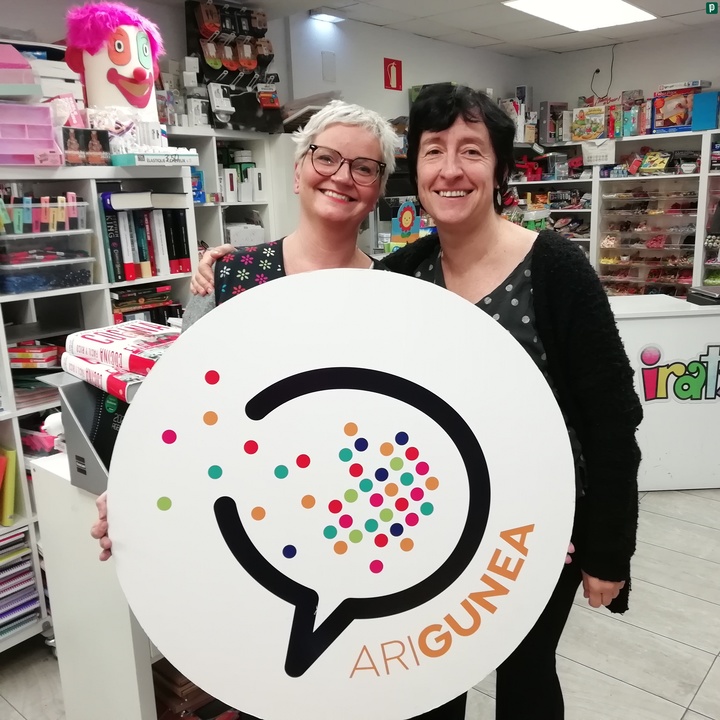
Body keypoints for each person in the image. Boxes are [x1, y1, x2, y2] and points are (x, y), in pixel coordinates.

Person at [186, 84, 643, 720]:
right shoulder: (402, 275)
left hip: (538, 528)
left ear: (500, 170)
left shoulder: (554, 268)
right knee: (429, 681)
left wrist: (605, 547)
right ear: (416, 175)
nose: (451, 169)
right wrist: (224, 266)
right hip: (431, 522)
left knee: (527, 676)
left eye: (472, 151)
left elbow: (612, 421)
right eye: (434, 151)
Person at [90, 99, 468, 720]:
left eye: (365, 168)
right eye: (327, 158)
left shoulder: (399, 298)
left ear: (379, 189)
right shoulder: (232, 278)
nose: (342, 176)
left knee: (364, 686)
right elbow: (180, 416)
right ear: (297, 169)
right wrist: (130, 493)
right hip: (261, 532)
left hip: (360, 524)